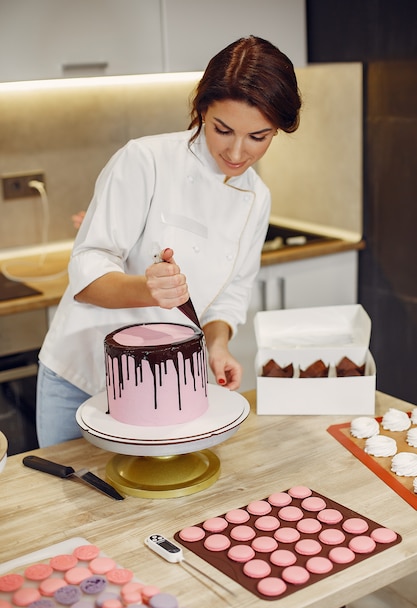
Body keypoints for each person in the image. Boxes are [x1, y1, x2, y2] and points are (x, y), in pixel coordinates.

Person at [36, 35, 301, 447]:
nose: (236, 151)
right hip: (84, 379)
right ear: (201, 110)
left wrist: (217, 345)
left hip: (169, 384)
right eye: (223, 129)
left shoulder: (256, 198)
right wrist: (147, 288)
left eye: (258, 137)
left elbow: (231, 294)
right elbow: (86, 277)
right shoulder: (145, 161)